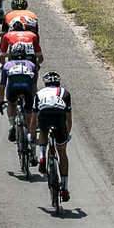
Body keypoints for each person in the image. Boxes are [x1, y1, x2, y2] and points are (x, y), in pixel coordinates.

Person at [34, 73, 73, 201]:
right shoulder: (65, 93)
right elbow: (68, 119)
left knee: (43, 131)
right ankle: (65, 188)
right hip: (59, 118)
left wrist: (32, 134)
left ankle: (42, 156)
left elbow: (34, 118)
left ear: (45, 83)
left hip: (44, 116)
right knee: (62, 153)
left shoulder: (39, 93)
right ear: (58, 83)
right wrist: (66, 135)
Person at [0, 41, 40, 141]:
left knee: (11, 103)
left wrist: (0, 101)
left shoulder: (7, 65)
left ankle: (12, 125)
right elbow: (34, 86)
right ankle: (30, 134)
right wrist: (34, 100)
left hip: (12, 89)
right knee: (29, 110)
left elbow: (2, 86)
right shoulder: (31, 64)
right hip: (27, 89)